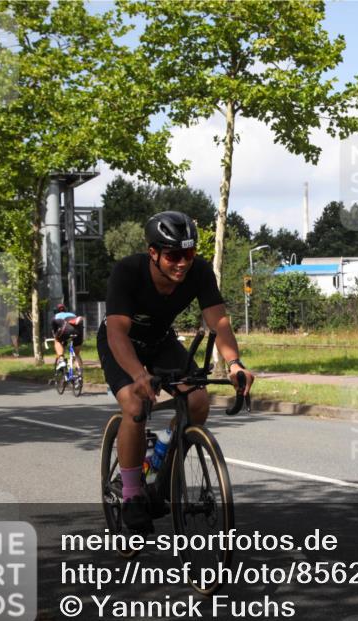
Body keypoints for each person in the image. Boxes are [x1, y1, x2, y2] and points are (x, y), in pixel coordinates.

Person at [98, 211, 254, 534]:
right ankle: (130, 495)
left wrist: (235, 363)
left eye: (189, 253)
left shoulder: (198, 272)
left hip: (160, 342)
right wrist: (138, 375)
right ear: (153, 253)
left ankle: (160, 470)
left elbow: (218, 321)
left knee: (197, 401)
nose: (182, 262)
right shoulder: (127, 272)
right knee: (135, 405)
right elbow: (116, 334)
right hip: (122, 344)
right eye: (173, 255)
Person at [51, 304, 84, 371]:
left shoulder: (55, 316)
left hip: (66, 328)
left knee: (57, 340)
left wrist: (62, 341)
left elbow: (54, 333)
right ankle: (79, 374)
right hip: (78, 330)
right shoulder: (72, 314)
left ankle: (61, 360)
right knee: (76, 354)